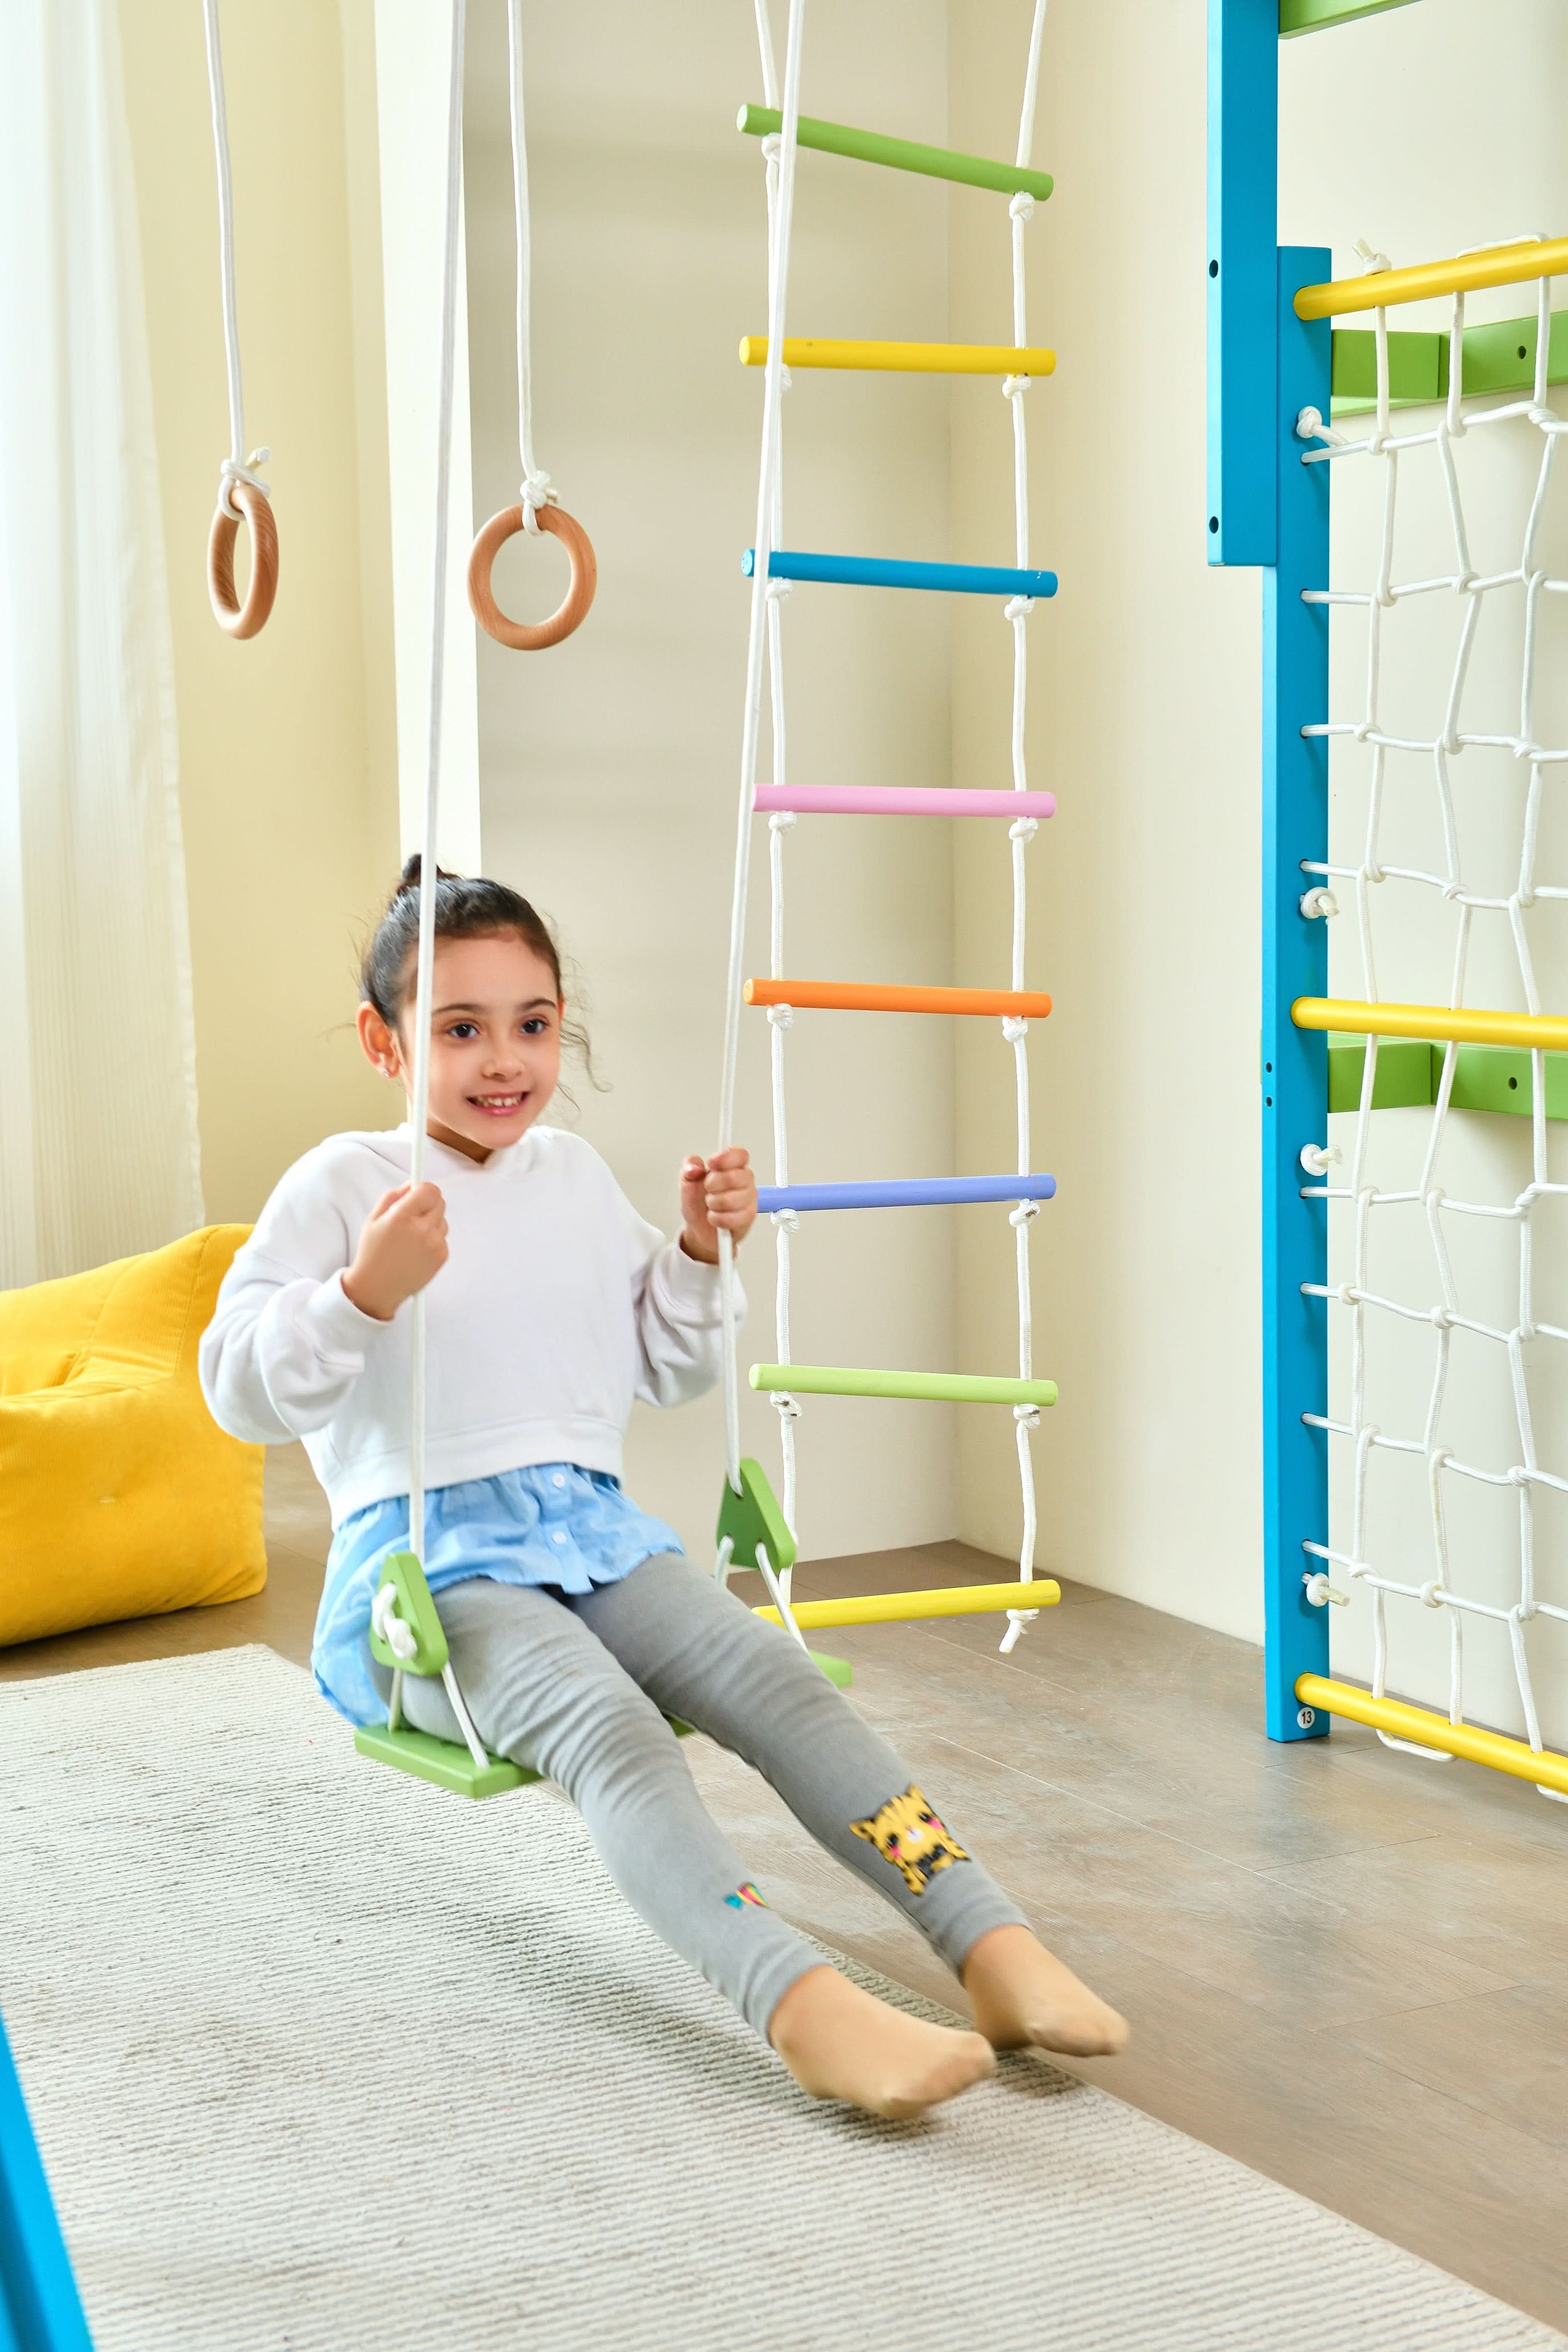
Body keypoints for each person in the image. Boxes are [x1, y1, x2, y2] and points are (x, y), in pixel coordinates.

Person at [201, 859, 1128, 2118]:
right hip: (429, 1575)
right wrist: (362, 1292)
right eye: (459, 1028)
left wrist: (697, 1250)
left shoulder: (574, 1182)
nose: (504, 1060)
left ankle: (988, 1942)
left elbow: (672, 1368)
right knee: (615, 1734)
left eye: (532, 1025)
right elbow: (237, 1392)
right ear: (383, 1040)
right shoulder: (340, 1185)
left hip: (589, 1533)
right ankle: (796, 2004)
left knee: (778, 1685)